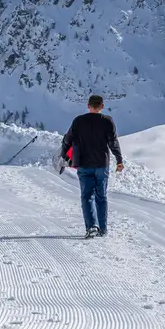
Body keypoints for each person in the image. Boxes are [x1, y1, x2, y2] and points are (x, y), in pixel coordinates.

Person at [62, 95, 124, 238]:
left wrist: (63, 154)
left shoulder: (79, 121)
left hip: (84, 164)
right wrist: (119, 159)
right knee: (101, 196)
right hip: (102, 164)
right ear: (102, 106)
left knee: (87, 195)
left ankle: (91, 227)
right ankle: (102, 229)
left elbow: (67, 139)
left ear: (88, 106)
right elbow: (113, 142)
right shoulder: (108, 121)